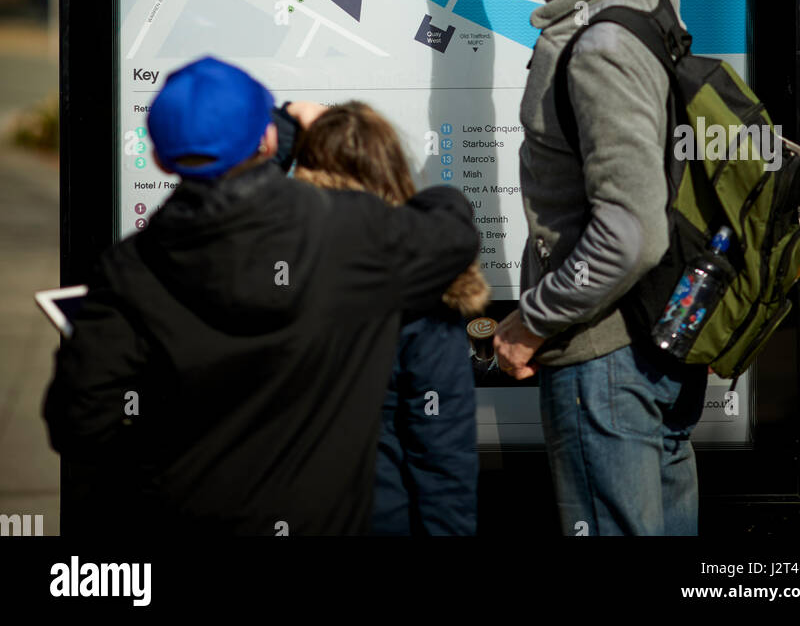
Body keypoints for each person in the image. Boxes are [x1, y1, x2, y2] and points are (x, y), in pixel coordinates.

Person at [401, 0, 708, 538]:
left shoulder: (598, 51)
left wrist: (525, 327)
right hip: (659, 343)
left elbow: (631, 234)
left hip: (607, 364)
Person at [43, 55, 480, 537]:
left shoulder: (129, 270)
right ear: (267, 140)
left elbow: (78, 421)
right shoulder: (347, 231)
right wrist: (293, 124)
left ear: (162, 158)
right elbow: (452, 231)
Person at [292, 100, 490, 536]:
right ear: (392, 169)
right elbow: (441, 452)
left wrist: (284, 122)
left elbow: (219, 209)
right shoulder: (421, 286)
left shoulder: (268, 271)